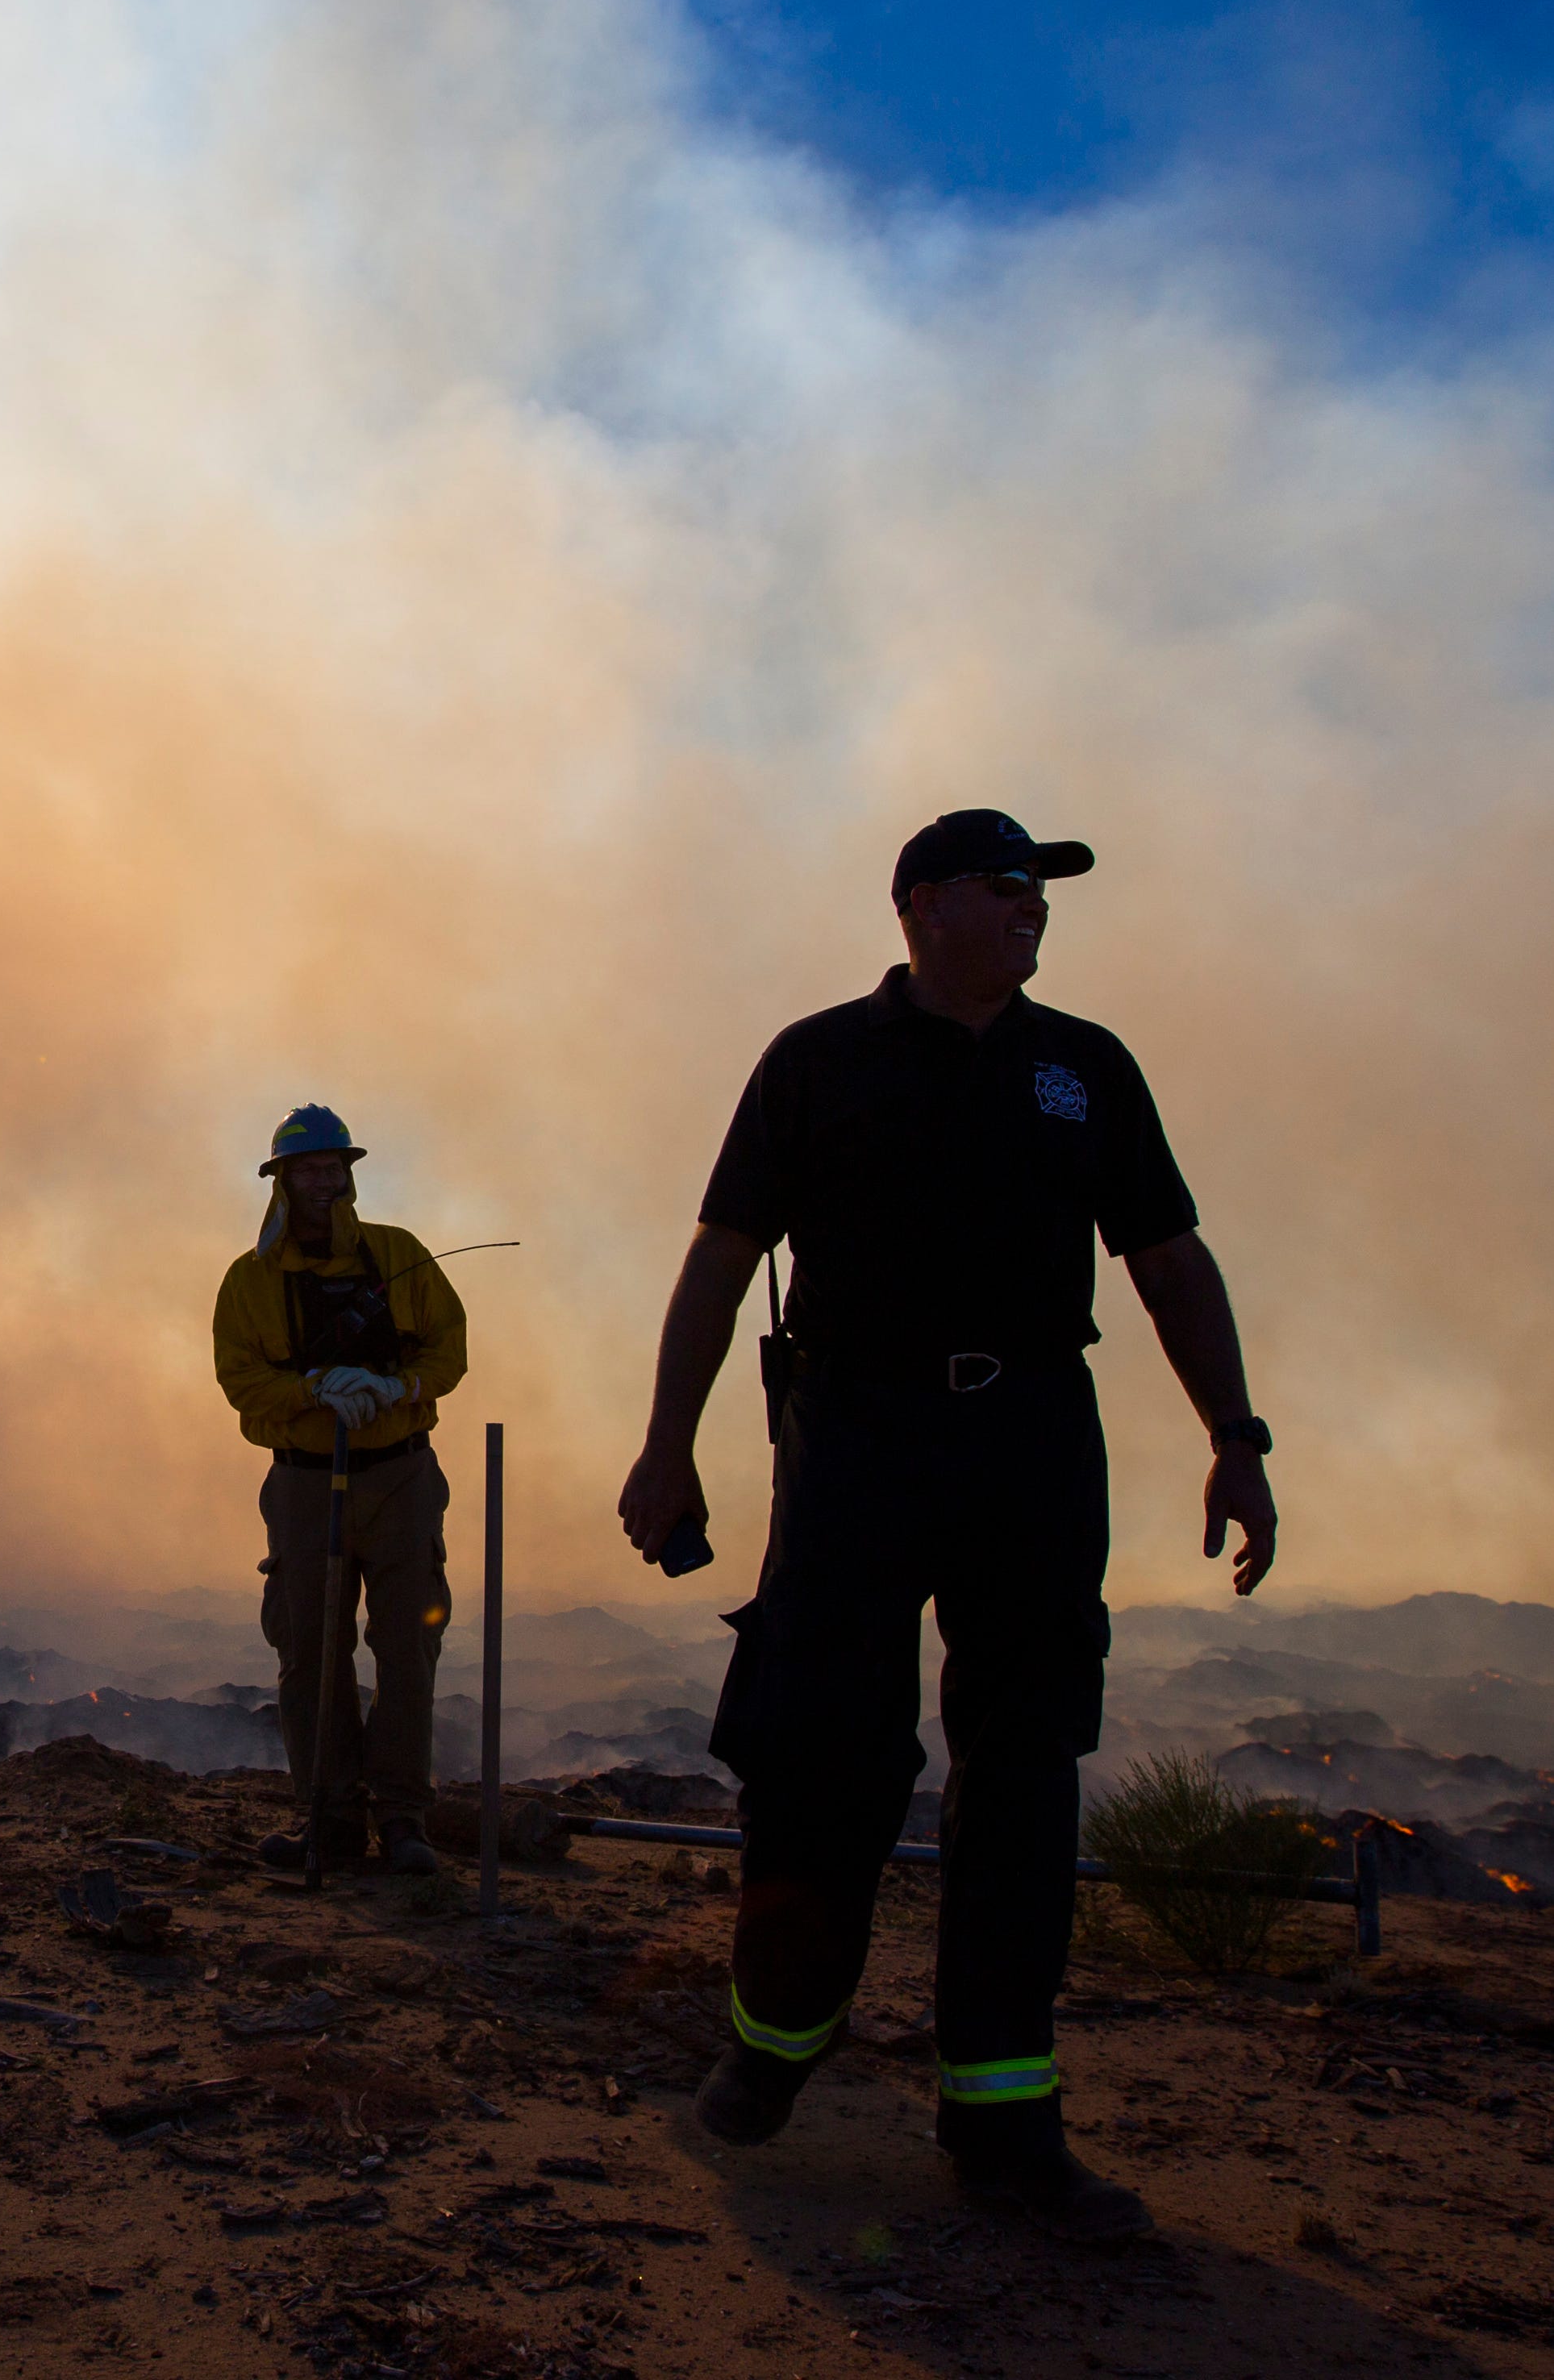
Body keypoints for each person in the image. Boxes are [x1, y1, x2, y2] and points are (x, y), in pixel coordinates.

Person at [614, 809, 1278, 2244]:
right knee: (820, 1755)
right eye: (1005, 884)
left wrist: (1235, 1438)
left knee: (1024, 1766)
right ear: (920, 906)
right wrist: (665, 1445)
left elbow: (1168, 1261)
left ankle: (1002, 2119)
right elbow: (719, 1262)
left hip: (1033, 1439)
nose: (1030, 907)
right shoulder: (815, 1060)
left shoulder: (1081, 1068)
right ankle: (774, 2042)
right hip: (855, 1438)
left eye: (1040, 891)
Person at [215, 1104, 469, 1876]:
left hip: (400, 1475)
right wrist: (315, 1390)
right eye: (311, 1170)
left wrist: (396, 1388)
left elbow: (449, 1351)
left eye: (337, 1168)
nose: (327, 1181)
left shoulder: (400, 1256)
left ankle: (402, 1821)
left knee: (406, 1651)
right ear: (282, 1180)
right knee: (310, 1654)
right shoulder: (250, 1281)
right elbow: (241, 1382)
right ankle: (328, 1823)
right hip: (301, 1483)